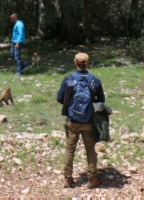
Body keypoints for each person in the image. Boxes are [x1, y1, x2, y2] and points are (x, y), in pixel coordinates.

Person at [56, 53, 105, 189]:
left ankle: (68, 178)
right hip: (89, 121)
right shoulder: (94, 80)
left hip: (72, 120)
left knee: (70, 149)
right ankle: (92, 179)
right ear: (88, 63)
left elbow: (59, 98)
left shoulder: (69, 79)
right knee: (90, 149)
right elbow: (101, 101)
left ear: (74, 62)